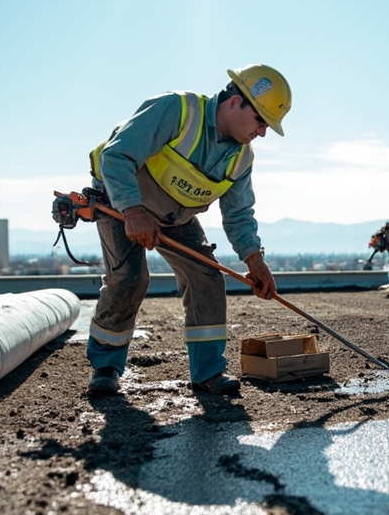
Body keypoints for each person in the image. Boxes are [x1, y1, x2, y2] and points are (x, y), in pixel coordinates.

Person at [85, 65, 291, 396]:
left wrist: (255, 260)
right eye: (261, 120)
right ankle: (105, 367)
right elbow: (116, 156)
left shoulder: (241, 158)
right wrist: (133, 211)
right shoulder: (177, 111)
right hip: (121, 202)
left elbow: (238, 214)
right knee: (129, 279)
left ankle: (208, 373)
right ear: (235, 102)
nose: (263, 132)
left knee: (207, 279)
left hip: (176, 217)